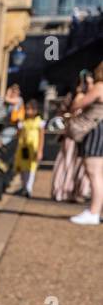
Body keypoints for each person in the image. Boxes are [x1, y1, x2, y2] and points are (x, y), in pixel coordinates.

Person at [63, 61, 103, 225]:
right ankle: (97, 210)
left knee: (93, 173)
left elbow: (77, 105)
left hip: (95, 129)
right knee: (98, 174)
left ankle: (93, 212)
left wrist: (81, 92)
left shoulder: (100, 86)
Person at [51, 71, 93, 203]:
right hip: (72, 133)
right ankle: (62, 191)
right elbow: (66, 111)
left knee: (81, 164)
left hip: (86, 134)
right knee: (67, 161)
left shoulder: (92, 95)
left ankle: (78, 191)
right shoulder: (76, 96)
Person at [13, 100, 44, 195]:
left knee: (31, 167)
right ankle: (24, 186)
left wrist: (40, 150)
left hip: (33, 148)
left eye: (30, 109)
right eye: (27, 109)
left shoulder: (39, 122)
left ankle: (28, 187)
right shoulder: (23, 121)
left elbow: (41, 137)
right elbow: (18, 134)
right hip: (23, 147)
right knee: (22, 167)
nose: (27, 111)